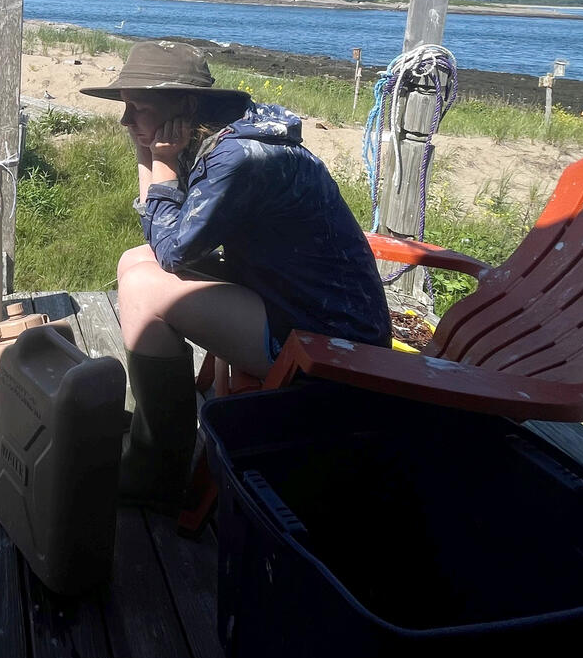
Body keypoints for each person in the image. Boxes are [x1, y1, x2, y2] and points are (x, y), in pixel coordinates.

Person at [82, 40, 391, 508]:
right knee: (133, 261)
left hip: (332, 342)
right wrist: (148, 148)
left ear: (184, 106)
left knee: (145, 288)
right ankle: (155, 425)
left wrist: (160, 161)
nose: (126, 121)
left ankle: (159, 469)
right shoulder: (223, 139)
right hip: (292, 297)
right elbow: (164, 235)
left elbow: (173, 249)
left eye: (137, 109)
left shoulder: (238, 159)